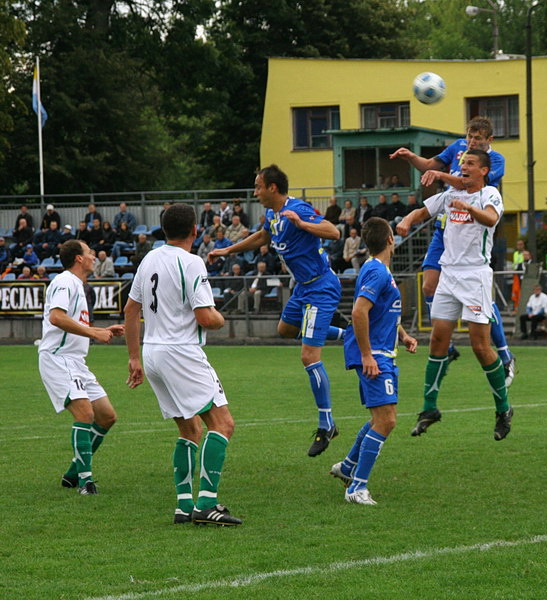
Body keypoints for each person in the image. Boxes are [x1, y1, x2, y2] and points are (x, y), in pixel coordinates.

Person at [209, 164, 345, 456]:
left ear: (272, 188)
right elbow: (262, 237)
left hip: (321, 287)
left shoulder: (298, 208)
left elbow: (333, 232)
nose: (255, 192)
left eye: (258, 186)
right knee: (285, 331)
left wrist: (302, 223)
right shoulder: (272, 214)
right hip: (303, 288)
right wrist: (227, 250)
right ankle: (350, 336)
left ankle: (327, 424)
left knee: (309, 356)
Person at [123, 204, 241, 525]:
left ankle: (184, 505)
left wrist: (134, 357)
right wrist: (220, 318)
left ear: (163, 231)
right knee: (223, 424)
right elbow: (205, 317)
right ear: (195, 231)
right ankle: (207, 504)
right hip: (180, 352)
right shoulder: (191, 262)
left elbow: (130, 310)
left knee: (190, 429)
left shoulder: (149, 259)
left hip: (153, 353)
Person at [390, 116, 516, 387]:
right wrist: (411, 157)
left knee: (479, 299)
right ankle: (445, 349)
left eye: (478, 138)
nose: (471, 142)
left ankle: (505, 354)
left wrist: (441, 175)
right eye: (470, 136)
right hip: (447, 225)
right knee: (428, 286)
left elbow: (465, 184)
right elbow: (428, 166)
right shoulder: (457, 147)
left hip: (474, 228)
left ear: (489, 141)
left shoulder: (496, 161)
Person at [396, 149, 513, 440]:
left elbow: (489, 219)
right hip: (448, 274)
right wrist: (407, 222)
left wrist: (469, 208)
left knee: (479, 346)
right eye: (462, 164)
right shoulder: (449, 196)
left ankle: (503, 409)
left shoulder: (490, 194)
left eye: (470, 164)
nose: (464, 168)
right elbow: (421, 211)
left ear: (484, 170)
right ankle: (429, 408)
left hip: (475, 275)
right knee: (437, 340)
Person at [329, 217, 418, 505]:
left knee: (380, 418)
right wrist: (367, 354)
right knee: (387, 421)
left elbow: (382, 311)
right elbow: (358, 313)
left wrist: (402, 335)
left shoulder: (378, 271)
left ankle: (347, 467)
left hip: (382, 351)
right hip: (375, 355)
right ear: (390, 239)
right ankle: (356, 487)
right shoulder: (377, 272)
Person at [38, 239, 125, 495]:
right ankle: (85, 482)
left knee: (107, 416)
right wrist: (93, 333)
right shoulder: (65, 282)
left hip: (76, 361)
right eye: (89, 253)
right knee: (85, 414)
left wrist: (100, 330)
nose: (94, 257)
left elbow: (74, 325)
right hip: (58, 357)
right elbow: (56, 317)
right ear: (78, 258)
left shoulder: (79, 285)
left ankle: (72, 474)